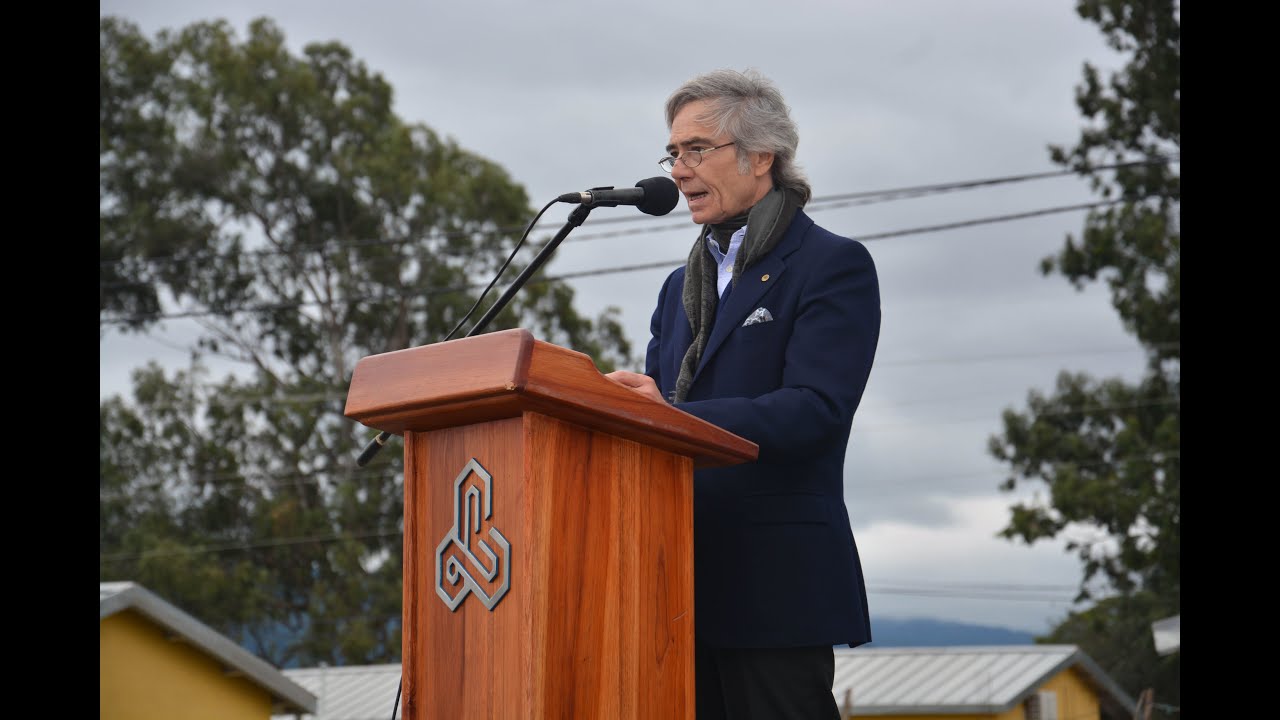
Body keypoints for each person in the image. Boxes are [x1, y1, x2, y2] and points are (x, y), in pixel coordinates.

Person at [606, 68, 881, 719]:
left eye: (697, 149)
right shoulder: (678, 289)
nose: (678, 169)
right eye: (672, 152)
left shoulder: (831, 266)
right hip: (675, 589)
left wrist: (671, 417)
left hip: (776, 589)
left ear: (761, 157)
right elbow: (657, 426)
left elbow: (815, 409)